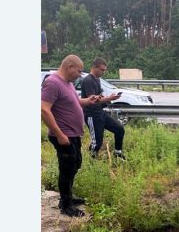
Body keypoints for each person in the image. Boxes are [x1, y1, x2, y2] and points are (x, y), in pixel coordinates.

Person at [41, 55, 103, 217]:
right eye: (79, 70)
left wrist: (89, 100)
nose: (80, 74)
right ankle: (66, 204)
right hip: (63, 135)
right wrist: (59, 134)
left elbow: (76, 102)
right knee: (67, 168)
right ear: (69, 66)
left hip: (73, 134)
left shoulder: (67, 84)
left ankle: (68, 196)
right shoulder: (53, 83)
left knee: (75, 164)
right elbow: (44, 109)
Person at [80, 57, 127, 160]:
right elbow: (92, 99)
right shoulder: (88, 80)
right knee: (97, 141)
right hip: (92, 114)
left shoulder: (97, 79)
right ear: (94, 67)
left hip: (100, 112)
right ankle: (91, 161)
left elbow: (98, 96)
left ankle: (118, 153)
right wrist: (109, 98)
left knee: (119, 129)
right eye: (102, 69)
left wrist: (108, 99)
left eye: (105, 70)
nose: (104, 72)